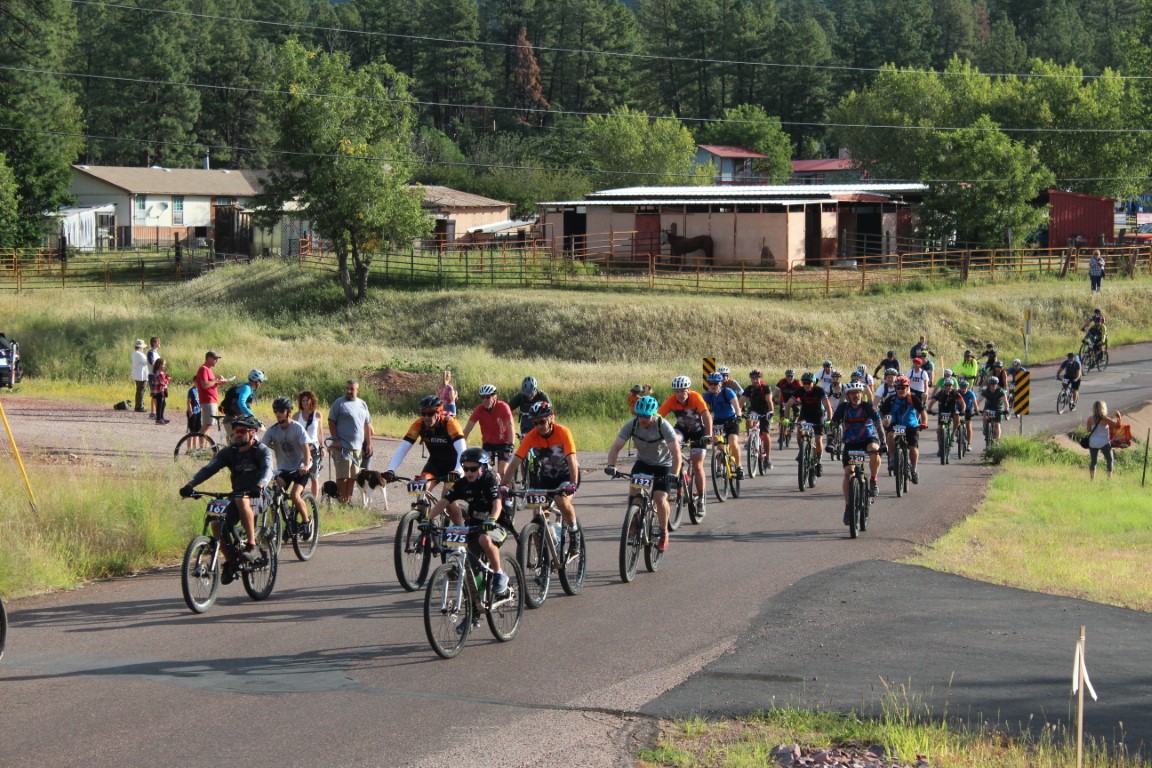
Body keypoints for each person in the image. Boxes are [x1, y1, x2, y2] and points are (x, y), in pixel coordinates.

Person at [179, 414, 274, 569]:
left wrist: (260, 485)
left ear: (252, 432)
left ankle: (251, 545)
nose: (237, 434)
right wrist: (190, 485)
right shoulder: (229, 452)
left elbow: (268, 470)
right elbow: (208, 469)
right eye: (235, 430)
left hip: (259, 494)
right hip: (237, 495)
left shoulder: (261, 451)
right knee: (217, 523)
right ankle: (231, 562)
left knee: (242, 499)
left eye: (242, 431)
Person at [500, 401, 581, 555]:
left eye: (542, 422)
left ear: (551, 418)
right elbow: (516, 461)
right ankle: (542, 557)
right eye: (535, 423)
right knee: (538, 515)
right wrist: (503, 485)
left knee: (561, 500)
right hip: (546, 477)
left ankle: (574, 530)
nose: (539, 426)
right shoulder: (531, 436)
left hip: (567, 475)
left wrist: (573, 483)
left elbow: (571, 459)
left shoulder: (563, 432)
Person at [430, 447, 513, 595]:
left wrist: (492, 519)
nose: (469, 472)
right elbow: (444, 501)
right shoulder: (462, 483)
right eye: (465, 468)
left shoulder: (489, 480)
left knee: (484, 539)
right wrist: (427, 519)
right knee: (467, 563)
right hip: (474, 526)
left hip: (496, 524)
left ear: (483, 467)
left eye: (473, 469)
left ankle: (499, 574)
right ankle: (476, 600)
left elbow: (497, 504)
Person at [604, 395, 682, 552]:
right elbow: (616, 447)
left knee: (660, 498)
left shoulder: (663, 425)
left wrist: (674, 474)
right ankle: (633, 520)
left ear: (653, 414)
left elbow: (676, 453)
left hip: (663, 464)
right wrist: (611, 466)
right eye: (639, 415)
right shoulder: (632, 425)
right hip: (644, 463)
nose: (642, 419)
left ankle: (663, 532)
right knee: (634, 493)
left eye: (646, 416)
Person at [383, 395, 467, 486]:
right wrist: (391, 470)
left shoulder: (450, 423)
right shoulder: (419, 424)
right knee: (420, 487)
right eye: (423, 413)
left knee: (448, 493)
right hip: (435, 464)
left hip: (455, 465)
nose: (426, 417)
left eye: (430, 414)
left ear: (439, 413)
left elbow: (462, 450)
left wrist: (458, 470)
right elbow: (403, 448)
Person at [261, 396, 314, 539]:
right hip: (284, 468)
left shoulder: (297, 428)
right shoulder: (272, 430)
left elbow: (306, 449)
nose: (278, 413)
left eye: (281, 411)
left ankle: (306, 522)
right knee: (274, 495)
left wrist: (306, 465)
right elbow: (261, 448)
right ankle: (279, 526)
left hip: (300, 467)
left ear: (288, 412)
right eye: (275, 411)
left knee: (294, 495)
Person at [830, 382, 883, 524]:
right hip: (851, 442)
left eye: (858, 392)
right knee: (848, 473)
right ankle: (848, 507)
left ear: (862, 394)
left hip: (868, 438)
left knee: (874, 450)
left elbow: (878, 424)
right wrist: (831, 442)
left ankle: (873, 480)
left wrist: (883, 442)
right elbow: (834, 424)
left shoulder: (868, 407)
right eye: (853, 393)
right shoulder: (843, 408)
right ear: (847, 396)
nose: (856, 395)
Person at [658, 375, 713, 506]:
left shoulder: (696, 397)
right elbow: (658, 418)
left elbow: (706, 416)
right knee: (671, 443)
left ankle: (701, 496)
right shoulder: (671, 400)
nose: (680, 394)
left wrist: (708, 435)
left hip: (698, 431)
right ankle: (678, 475)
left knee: (697, 465)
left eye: (683, 391)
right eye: (677, 392)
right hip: (681, 430)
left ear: (688, 390)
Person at [327, 379, 374, 503]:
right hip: (342, 447)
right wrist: (335, 440)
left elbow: (367, 425)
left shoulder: (362, 404)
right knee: (343, 476)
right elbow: (331, 421)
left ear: (357, 390)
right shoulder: (339, 403)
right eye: (347, 388)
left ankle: (347, 501)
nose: (348, 391)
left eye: (351, 389)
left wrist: (369, 444)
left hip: (357, 448)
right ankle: (341, 501)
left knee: (353, 477)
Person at [879, 375, 927, 483]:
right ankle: (892, 458)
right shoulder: (891, 399)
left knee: (913, 447)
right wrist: (882, 420)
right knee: (890, 435)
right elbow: (881, 412)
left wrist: (924, 423)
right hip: (896, 425)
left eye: (903, 388)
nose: (900, 390)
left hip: (911, 426)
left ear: (907, 387)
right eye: (898, 388)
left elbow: (922, 411)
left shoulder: (913, 398)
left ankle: (914, 469)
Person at [462, 384, 516, 479]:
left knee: (502, 472)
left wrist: (511, 445)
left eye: (487, 397)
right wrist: (460, 444)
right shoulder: (479, 409)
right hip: (488, 444)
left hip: (504, 443)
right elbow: (467, 429)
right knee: (483, 472)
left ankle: (505, 487)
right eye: (482, 397)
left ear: (495, 397)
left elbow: (510, 426)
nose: (485, 400)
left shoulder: (503, 407)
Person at [783, 372, 832, 474]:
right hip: (805, 415)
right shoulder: (800, 390)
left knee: (818, 440)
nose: (806, 385)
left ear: (813, 383)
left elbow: (828, 406)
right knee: (799, 431)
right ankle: (802, 451)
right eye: (804, 383)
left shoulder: (819, 391)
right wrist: (786, 418)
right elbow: (788, 404)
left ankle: (819, 461)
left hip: (817, 416)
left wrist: (829, 420)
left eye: (808, 383)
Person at [703, 372, 743, 477]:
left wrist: (738, 416)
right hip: (718, 422)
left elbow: (737, 407)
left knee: (733, 442)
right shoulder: (707, 395)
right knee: (717, 443)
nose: (712, 386)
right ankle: (719, 466)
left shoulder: (728, 392)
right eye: (710, 384)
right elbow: (700, 408)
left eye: (715, 383)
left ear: (720, 383)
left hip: (731, 420)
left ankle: (739, 466)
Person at [742, 369, 775, 469]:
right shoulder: (749, 389)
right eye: (753, 378)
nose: (755, 380)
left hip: (765, 411)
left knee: (765, 434)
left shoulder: (765, 388)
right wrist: (738, 412)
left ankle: (768, 458)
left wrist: (771, 411)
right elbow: (741, 401)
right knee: (748, 420)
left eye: (757, 378)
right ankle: (750, 439)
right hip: (754, 410)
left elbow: (769, 400)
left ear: (760, 378)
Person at [295, 390, 324, 500]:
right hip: (301, 448)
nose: (305, 403)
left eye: (307, 400)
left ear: (312, 401)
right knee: (300, 475)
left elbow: (320, 432)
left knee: (314, 476)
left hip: (314, 448)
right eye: (303, 400)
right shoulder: (296, 416)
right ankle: (298, 498)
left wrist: (322, 447)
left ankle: (314, 501)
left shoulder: (317, 415)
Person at [221, 369, 267, 437]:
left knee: (250, 439)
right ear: (257, 382)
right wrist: (252, 416)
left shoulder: (247, 387)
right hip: (232, 420)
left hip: (237, 420)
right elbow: (241, 403)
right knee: (240, 441)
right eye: (261, 382)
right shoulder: (246, 388)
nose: (260, 384)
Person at [1084, 401, 1122, 481]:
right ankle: (1109, 479)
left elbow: (1088, 430)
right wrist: (1119, 417)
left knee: (1093, 461)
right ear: (1103, 408)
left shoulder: (1090, 419)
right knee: (1109, 460)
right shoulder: (1106, 419)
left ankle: (1092, 480)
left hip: (1093, 443)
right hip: (1104, 443)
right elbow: (1117, 426)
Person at [195, 351, 229, 436]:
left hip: (211, 400)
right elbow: (204, 385)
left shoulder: (209, 370)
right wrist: (216, 380)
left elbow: (210, 383)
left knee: (209, 425)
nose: (216, 361)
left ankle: (205, 443)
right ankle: (199, 442)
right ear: (209, 358)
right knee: (207, 424)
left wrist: (219, 382)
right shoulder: (203, 369)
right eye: (215, 358)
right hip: (208, 400)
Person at [929, 377, 962, 457]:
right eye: (946, 385)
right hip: (942, 413)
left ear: (952, 386)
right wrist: (929, 409)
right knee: (939, 430)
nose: (948, 387)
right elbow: (932, 401)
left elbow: (962, 403)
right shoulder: (940, 393)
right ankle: (940, 448)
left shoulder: (955, 393)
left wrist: (963, 410)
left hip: (952, 412)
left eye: (950, 385)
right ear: (944, 386)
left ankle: (953, 433)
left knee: (957, 416)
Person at [977, 376, 1009, 443]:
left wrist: (1006, 410)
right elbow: (978, 401)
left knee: (997, 425)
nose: (993, 386)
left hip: (998, 409)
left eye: (994, 384)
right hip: (988, 408)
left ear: (997, 384)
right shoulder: (986, 391)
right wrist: (977, 409)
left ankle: (997, 441)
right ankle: (985, 428)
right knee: (985, 415)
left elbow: (1005, 402)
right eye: (991, 384)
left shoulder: (1001, 391)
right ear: (989, 385)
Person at [148, 357, 172, 425]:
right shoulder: (159, 373)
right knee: (160, 405)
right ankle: (159, 419)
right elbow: (163, 382)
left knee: (163, 404)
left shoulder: (159, 372)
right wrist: (168, 379)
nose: (165, 366)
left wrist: (165, 377)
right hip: (159, 391)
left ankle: (161, 418)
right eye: (164, 364)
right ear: (160, 365)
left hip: (159, 391)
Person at [957, 379, 978, 447]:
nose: (963, 389)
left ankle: (969, 443)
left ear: (967, 387)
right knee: (956, 419)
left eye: (965, 387)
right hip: (958, 409)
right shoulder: (957, 393)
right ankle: (957, 430)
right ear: (960, 387)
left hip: (968, 409)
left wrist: (977, 411)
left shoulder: (970, 393)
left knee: (968, 425)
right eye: (962, 387)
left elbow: (975, 403)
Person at [130, 339, 149, 412]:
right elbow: (146, 362)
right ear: (141, 347)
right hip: (141, 375)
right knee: (141, 391)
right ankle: (139, 407)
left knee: (139, 390)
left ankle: (139, 405)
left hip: (138, 374)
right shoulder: (139, 354)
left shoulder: (134, 353)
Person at [146, 337, 162, 418]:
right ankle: (156, 413)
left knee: (155, 395)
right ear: (153, 343)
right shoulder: (150, 352)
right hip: (152, 375)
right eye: (157, 342)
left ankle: (153, 413)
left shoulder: (156, 353)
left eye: (159, 342)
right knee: (155, 395)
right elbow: (151, 362)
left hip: (157, 375)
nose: (159, 343)